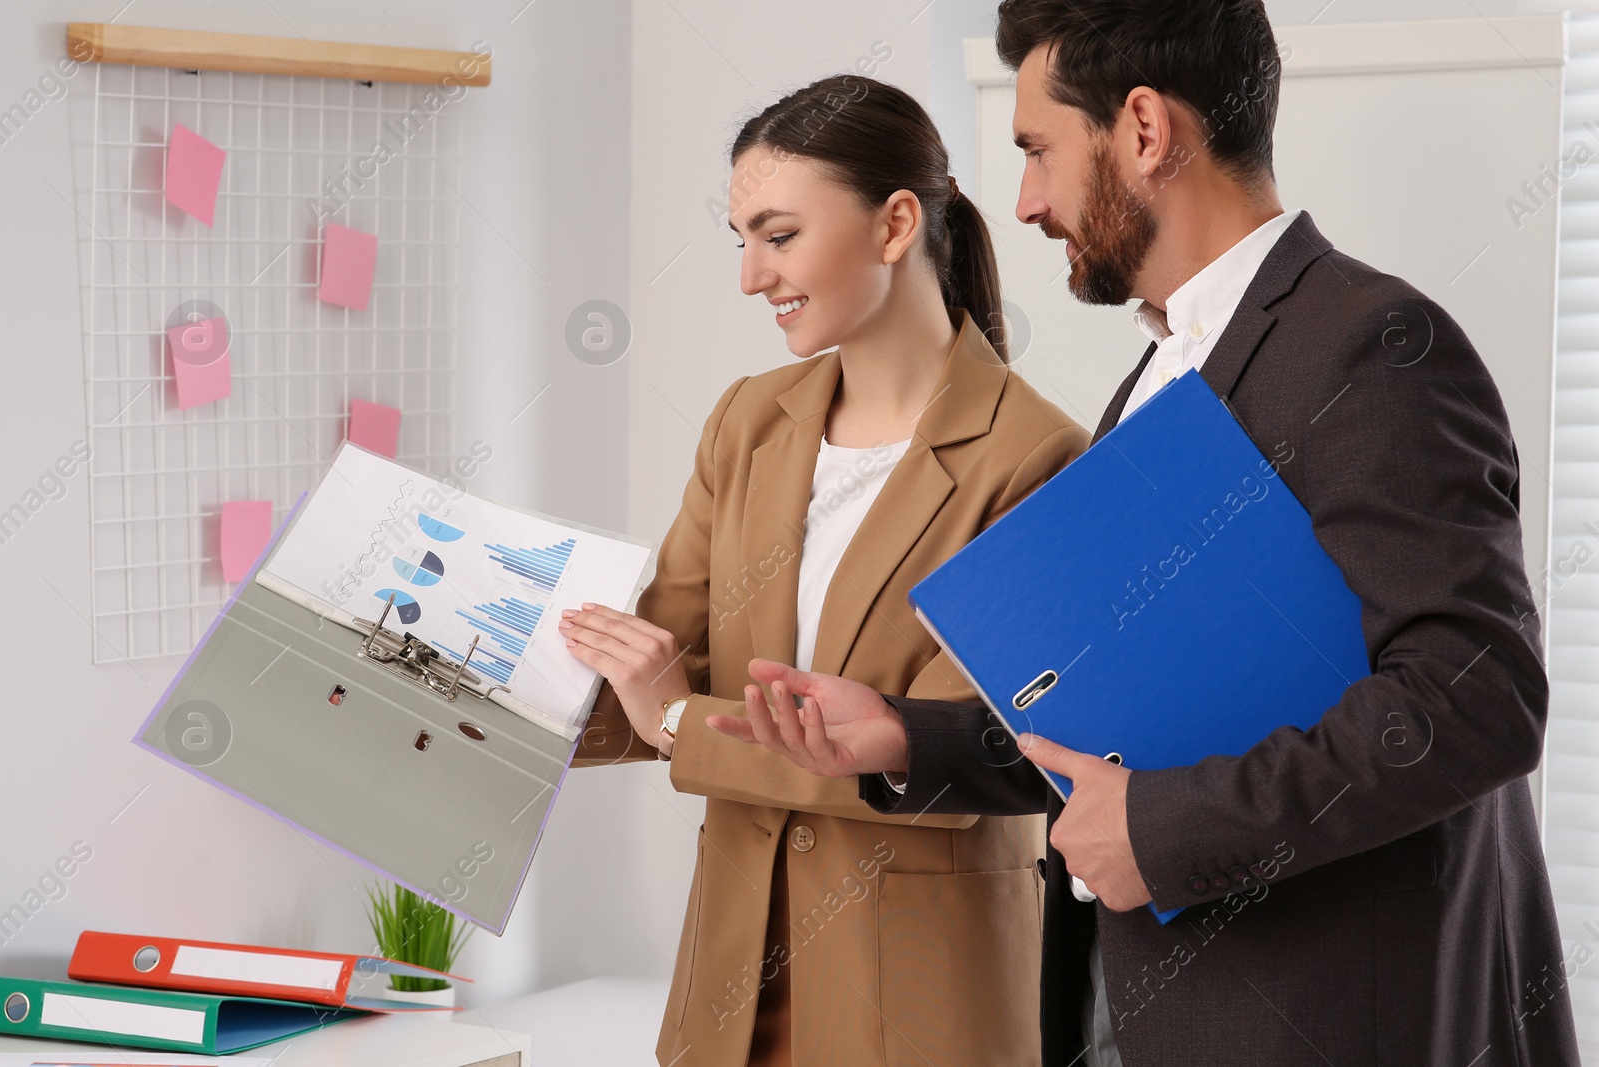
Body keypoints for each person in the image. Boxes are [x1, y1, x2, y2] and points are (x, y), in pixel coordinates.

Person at [708, 2, 1583, 1065]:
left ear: (1142, 130)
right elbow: (1131, 727)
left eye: (1037, 150)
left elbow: (1473, 696)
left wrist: (1161, 831)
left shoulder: (1371, 346)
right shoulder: (1160, 370)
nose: (1023, 201)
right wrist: (905, 736)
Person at [561, 73, 1090, 1066]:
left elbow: (949, 754)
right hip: (729, 987)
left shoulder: (1036, 455)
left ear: (894, 224)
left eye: (778, 234)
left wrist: (676, 719)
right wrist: (465, 701)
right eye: (741, 240)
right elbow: (664, 656)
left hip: (920, 997)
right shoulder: (749, 419)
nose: (751, 277)